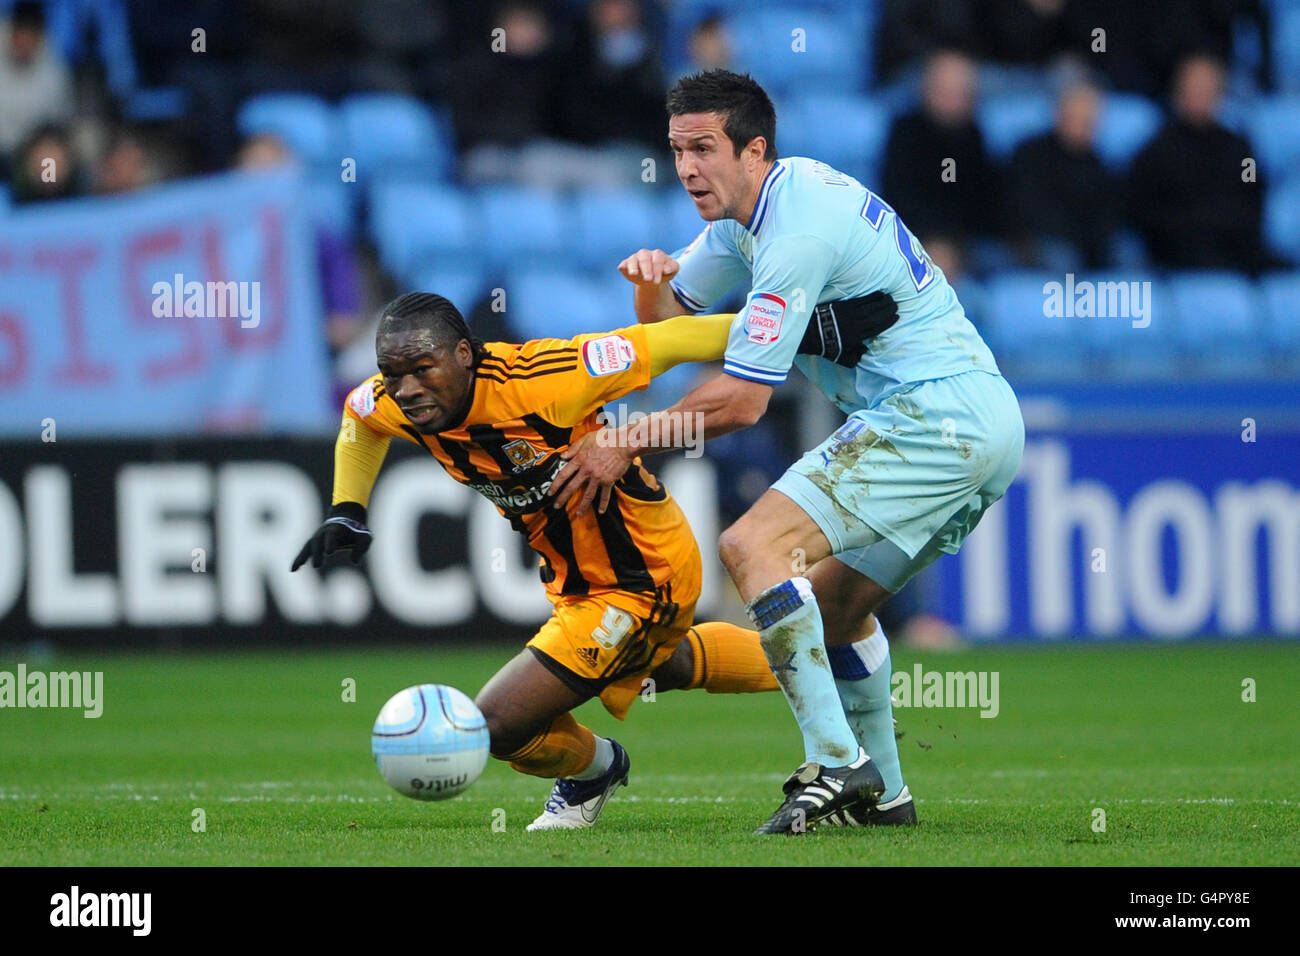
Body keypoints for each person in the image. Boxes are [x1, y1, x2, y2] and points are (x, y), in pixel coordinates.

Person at [552, 69, 1025, 834]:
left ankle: (835, 762)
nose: (685, 169)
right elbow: (670, 322)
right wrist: (650, 284)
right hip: (975, 424)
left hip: (933, 417)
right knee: (836, 609)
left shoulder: (796, 228)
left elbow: (742, 402)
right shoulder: (752, 215)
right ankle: (890, 799)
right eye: (676, 150)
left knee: (753, 546)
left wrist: (629, 437)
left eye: (703, 148)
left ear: (754, 149)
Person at [290, 288, 896, 830]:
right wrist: (348, 506)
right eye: (393, 374)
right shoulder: (397, 399)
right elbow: (359, 417)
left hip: (643, 570)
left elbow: (673, 339)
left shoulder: (547, 378)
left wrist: (810, 329)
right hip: (576, 580)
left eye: (422, 369)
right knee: (669, 663)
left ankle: (593, 771)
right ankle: (841, 659)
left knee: (495, 725)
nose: (407, 388)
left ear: (464, 356)